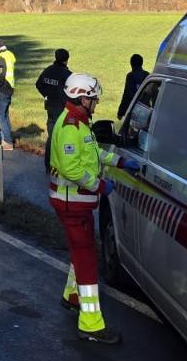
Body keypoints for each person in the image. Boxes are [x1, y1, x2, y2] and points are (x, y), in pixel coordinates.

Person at [49, 73, 141, 345]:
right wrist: (100, 186)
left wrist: (119, 162)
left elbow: (92, 154)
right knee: (88, 260)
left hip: (75, 203)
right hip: (73, 204)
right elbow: (72, 168)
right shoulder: (69, 126)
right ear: (81, 97)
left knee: (80, 251)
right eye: (93, 98)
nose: (96, 102)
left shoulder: (79, 124)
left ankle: (72, 296)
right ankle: (91, 324)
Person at [0, 39, 17, 151]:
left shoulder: (1, 58)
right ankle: (6, 138)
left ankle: (7, 142)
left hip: (2, 89)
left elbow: (0, 76)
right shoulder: (9, 54)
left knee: (0, 116)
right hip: (9, 88)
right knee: (5, 116)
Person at [117, 54, 150, 120]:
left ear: (131, 64)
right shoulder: (148, 76)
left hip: (133, 110)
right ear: (142, 63)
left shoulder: (130, 76)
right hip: (146, 111)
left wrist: (121, 112)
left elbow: (127, 95)